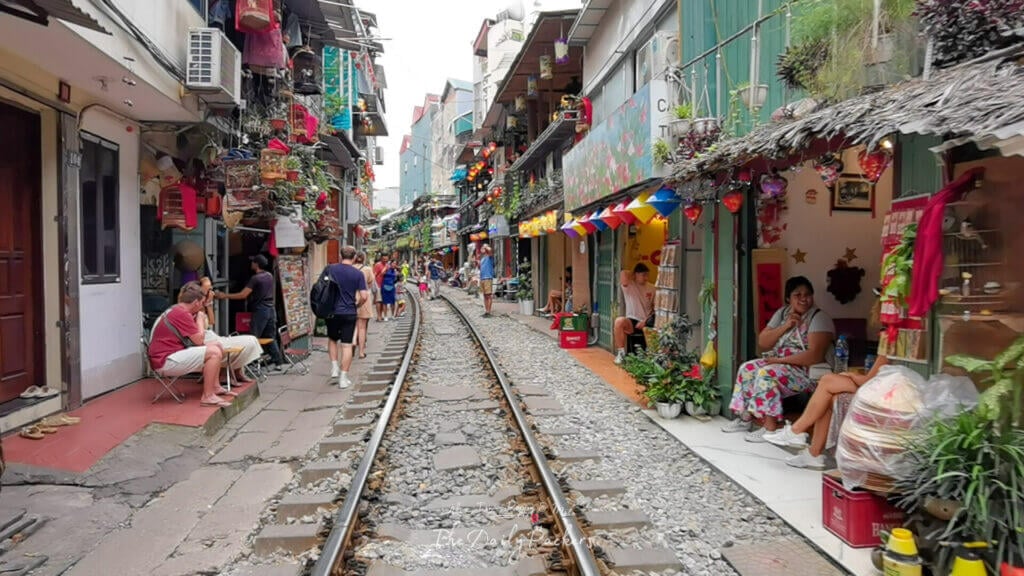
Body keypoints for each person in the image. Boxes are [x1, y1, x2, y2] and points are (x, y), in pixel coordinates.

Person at [722, 276, 836, 442]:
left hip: (806, 371)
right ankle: (745, 418)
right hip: (781, 363)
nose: (804, 299)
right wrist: (786, 326)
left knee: (767, 373)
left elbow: (814, 355)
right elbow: (763, 342)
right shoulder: (783, 313)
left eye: (808, 294)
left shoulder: (819, 317)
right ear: (788, 298)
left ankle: (769, 428)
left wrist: (780, 361)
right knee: (747, 368)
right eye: (798, 295)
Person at [765, 356, 891, 469]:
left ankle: (796, 432)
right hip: (887, 390)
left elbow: (868, 382)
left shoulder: (891, 341)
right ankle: (811, 450)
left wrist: (851, 375)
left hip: (885, 394)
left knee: (827, 381)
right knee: (827, 395)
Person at [150, 282, 231, 407]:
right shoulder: (182, 314)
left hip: (167, 357)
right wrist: (199, 319)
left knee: (217, 346)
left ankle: (215, 387)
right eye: (202, 303)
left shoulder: (176, 310)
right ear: (196, 303)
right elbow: (199, 340)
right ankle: (208, 396)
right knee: (214, 353)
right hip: (165, 361)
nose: (201, 307)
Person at [215, 255, 284, 373]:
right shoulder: (269, 275)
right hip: (270, 309)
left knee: (253, 337)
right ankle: (278, 361)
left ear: (257, 264)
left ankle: (252, 362)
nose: (251, 264)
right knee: (270, 336)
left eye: (253, 262)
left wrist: (224, 296)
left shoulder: (255, 278)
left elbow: (243, 295)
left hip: (261, 310)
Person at [192, 278, 259, 387]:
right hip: (205, 339)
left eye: (211, 289)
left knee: (251, 340)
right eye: (208, 290)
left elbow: (211, 322)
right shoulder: (195, 305)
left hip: (211, 335)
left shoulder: (204, 304)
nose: (211, 292)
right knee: (243, 343)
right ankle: (227, 374)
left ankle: (237, 372)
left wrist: (208, 304)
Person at [326, 245, 369, 388]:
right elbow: (364, 296)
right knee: (346, 345)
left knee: (332, 339)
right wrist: (357, 304)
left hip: (332, 311)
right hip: (349, 312)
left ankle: (334, 367)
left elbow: (320, 287)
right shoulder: (358, 274)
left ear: (340, 256)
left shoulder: (330, 269)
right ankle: (343, 378)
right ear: (355, 257)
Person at [613, 263, 656, 365]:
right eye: (643, 275)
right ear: (636, 275)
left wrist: (645, 322)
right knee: (619, 321)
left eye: (647, 275)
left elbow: (656, 308)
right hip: (632, 319)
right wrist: (632, 273)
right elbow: (623, 274)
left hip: (647, 319)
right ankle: (621, 353)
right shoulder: (629, 285)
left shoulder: (652, 288)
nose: (646, 277)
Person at [353, 252, 375, 360]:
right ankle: (361, 352)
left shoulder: (349, 268)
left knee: (352, 324)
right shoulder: (367, 269)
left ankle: (352, 340)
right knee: (362, 327)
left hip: (350, 297)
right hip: (363, 296)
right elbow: (370, 284)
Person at [479, 244, 495, 317]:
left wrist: (486, 246)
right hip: (482, 278)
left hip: (488, 278)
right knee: (485, 295)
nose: (482, 248)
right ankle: (486, 311)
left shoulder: (490, 256)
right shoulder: (482, 258)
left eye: (484, 247)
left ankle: (489, 312)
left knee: (488, 295)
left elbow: (490, 250)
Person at [373, 254, 389, 322]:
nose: (385, 261)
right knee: (378, 301)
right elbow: (374, 275)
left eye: (386, 259)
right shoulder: (378, 265)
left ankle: (381, 315)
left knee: (383, 301)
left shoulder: (388, 265)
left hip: (385, 285)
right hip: (378, 285)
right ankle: (378, 316)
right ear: (381, 259)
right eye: (384, 259)